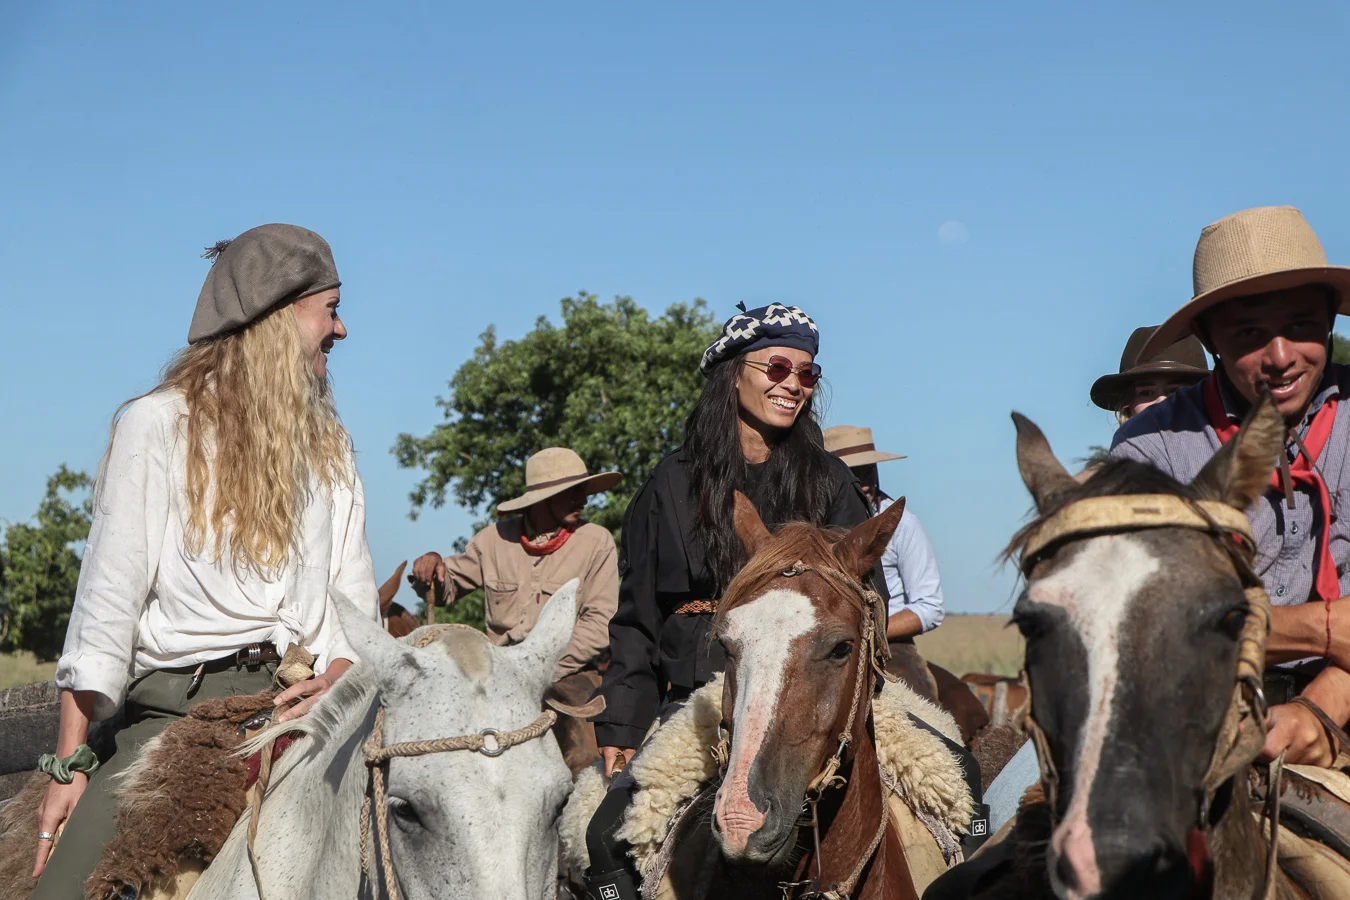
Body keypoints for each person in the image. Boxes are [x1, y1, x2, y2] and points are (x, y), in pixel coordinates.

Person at [32, 224, 380, 896]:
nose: (342, 331)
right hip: (176, 716)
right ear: (279, 315)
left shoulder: (332, 450)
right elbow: (106, 606)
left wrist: (338, 675)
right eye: (330, 309)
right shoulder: (156, 426)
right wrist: (70, 765)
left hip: (304, 714)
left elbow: (354, 609)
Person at [582, 303, 880, 900]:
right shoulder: (671, 483)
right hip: (701, 692)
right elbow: (637, 616)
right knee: (604, 838)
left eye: (807, 373)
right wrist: (622, 721)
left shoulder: (831, 480)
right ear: (732, 373)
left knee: (963, 789)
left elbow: (870, 597)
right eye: (776, 367)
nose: (792, 384)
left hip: (820, 694)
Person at [1111, 205, 1350, 768]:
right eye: (1248, 334)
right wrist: (1327, 626)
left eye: (1302, 326)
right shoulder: (1151, 448)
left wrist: (1321, 708)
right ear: (1208, 336)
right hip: (1195, 715)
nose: (1282, 357)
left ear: (1332, 319)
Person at [408, 448, 622, 769]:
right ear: (545, 498)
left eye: (583, 491)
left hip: (568, 674)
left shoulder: (596, 541)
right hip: (495, 673)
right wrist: (433, 569)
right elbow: (446, 587)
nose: (584, 500)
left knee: (582, 759)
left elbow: (599, 623)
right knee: (437, 743)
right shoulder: (492, 541)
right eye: (574, 493)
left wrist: (540, 667)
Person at [824, 424, 945, 701]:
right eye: (854, 474)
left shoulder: (903, 524)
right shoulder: (814, 527)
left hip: (892, 647)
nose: (865, 482)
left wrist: (869, 631)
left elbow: (930, 606)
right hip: (822, 645)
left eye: (869, 470)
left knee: (916, 720)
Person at [1089, 326, 1210, 424]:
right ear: (1127, 406)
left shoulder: (1226, 450)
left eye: (1175, 391)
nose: (1161, 401)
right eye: (1146, 393)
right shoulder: (1123, 452)